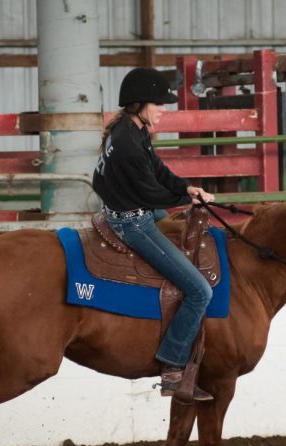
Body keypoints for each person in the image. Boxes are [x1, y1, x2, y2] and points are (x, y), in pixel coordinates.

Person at [92, 67, 216, 402]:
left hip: (126, 208)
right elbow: (149, 194)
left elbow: (157, 171)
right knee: (200, 291)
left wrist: (185, 187)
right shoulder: (129, 142)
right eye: (159, 103)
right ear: (139, 103)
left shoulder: (129, 129)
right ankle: (173, 368)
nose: (164, 108)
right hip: (133, 222)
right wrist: (187, 198)